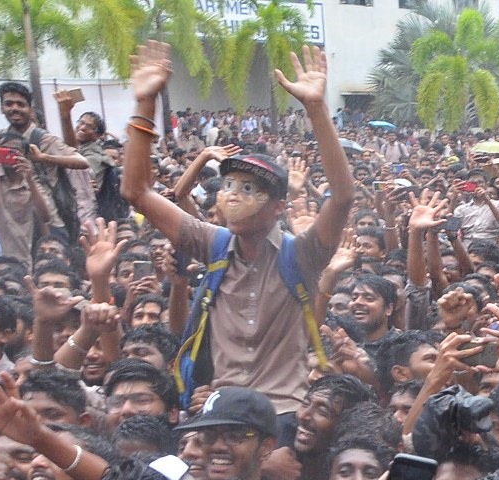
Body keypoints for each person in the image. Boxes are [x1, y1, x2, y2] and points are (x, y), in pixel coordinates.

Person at [123, 41, 354, 416]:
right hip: (218, 412)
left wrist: (316, 108)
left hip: (282, 416)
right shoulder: (211, 243)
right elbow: (136, 191)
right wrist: (145, 103)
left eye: (249, 189)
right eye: (229, 186)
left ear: (279, 206)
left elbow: (342, 197)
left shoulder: (302, 254)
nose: (232, 196)